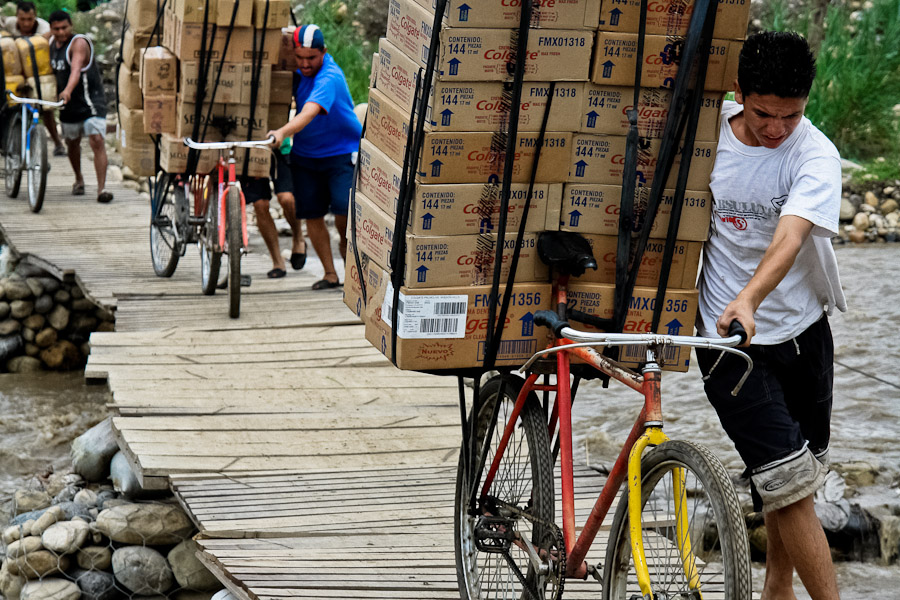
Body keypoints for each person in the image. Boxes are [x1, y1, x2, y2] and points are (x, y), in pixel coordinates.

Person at [695, 31, 844, 600]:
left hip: (804, 333)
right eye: (762, 113)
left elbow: (791, 234)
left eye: (791, 115)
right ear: (739, 94)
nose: (775, 128)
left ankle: (777, 586)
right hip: (727, 339)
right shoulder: (707, 135)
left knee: (797, 480)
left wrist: (753, 296)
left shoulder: (814, 154)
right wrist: (737, 307)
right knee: (790, 486)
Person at [268, 24, 362, 290]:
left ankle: (350, 271)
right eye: (299, 57)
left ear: (324, 52)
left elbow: (309, 111)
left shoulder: (329, 76)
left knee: (345, 214)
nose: (305, 63)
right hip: (306, 156)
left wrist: (282, 133)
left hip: (341, 152)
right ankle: (330, 274)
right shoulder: (296, 71)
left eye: (311, 58)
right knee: (313, 214)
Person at [48, 10, 111, 203]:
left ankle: (102, 190)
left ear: (71, 25)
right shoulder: (50, 43)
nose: (60, 32)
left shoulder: (79, 43)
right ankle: (79, 179)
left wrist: (66, 90)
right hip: (68, 105)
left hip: (91, 100)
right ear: (51, 29)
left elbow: (76, 69)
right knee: (72, 144)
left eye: (64, 27)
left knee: (97, 139)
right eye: (56, 28)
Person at [6, 1, 66, 157]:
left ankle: (58, 143)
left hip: (37, 74)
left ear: (35, 17)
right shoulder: (9, 24)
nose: (26, 23)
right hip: (15, 73)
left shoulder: (44, 28)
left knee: (46, 110)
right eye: (22, 19)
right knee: (9, 109)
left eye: (30, 19)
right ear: (17, 17)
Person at [239, 143, 307, 278]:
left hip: (280, 147)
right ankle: (277, 261)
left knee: (287, 198)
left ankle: (298, 237)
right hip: (249, 149)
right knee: (260, 204)